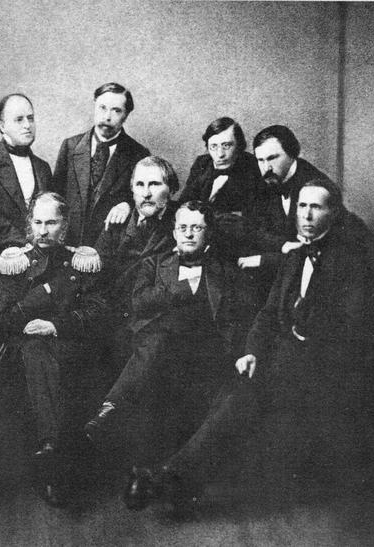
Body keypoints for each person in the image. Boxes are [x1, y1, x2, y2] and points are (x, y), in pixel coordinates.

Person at [85, 201, 257, 510]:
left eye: (196, 228)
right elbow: (138, 303)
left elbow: (244, 316)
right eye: (183, 227)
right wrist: (180, 288)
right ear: (174, 232)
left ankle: (120, 419)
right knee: (159, 351)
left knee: (168, 363)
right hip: (162, 347)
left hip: (208, 352)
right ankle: (137, 465)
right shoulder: (154, 264)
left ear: (208, 234)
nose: (189, 234)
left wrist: (240, 351)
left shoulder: (226, 271)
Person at [235, 178, 371, 496]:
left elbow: (350, 327)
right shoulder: (294, 256)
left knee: (248, 397)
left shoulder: (350, 261)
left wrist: (305, 335)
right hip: (281, 351)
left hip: (321, 359)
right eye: (302, 206)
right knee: (235, 389)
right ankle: (173, 474)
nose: (307, 215)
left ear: (333, 213)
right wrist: (252, 351)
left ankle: (176, 476)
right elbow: (268, 313)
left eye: (316, 207)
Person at [0, 192, 106, 507]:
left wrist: (54, 325)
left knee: (47, 352)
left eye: (52, 223)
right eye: (38, 222)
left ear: (65, 225)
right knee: (35, 350)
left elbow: (97, 312)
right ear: (29, 224)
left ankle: (51, 449)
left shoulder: (82, 260)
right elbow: (4, 319)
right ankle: (52, 450)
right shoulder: (16, 261)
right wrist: (45, 292)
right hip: (26, 348)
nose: (43, 231)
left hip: (68, 342)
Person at [94, 156, 179, 375]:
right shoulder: (116, 223)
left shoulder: (182, 223)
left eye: (155, 184)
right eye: (140, 185)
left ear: (171, 189)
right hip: (115, 319)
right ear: (131, 190)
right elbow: (96, 276)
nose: (146, 193)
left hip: (156, 323)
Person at [52, 82, 150, 246]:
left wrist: (128, 205)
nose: (107, 117)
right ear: (94, 107)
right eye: (102, 108)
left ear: (126, 115)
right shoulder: (70, 146)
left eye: (116, 110)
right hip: (67, 243)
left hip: (109, 245)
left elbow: (144, 199)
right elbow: (55, 195)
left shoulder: (138, 154)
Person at [0, 93, 52, 281]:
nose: (27, 125)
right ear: (2, 125)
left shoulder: (43, 168)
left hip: (38, 266)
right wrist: (24, 241)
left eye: (31, 118)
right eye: (19, 119)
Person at [237, 125, 331, 273]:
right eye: (260, 160)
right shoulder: (261, 180)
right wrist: (279, 245)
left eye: (272, 158)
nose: (266, 168)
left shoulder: (316, 187)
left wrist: (264, 260)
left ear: (292, 154)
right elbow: (250, 230)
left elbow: (320, 251)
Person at [178, 117, 263, 217]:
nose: (220, 154)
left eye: (226, 145)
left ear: (239, 145)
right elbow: (184, 205)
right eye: (213, 147)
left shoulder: (252, 164)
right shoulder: (202, 163)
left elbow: (255, 213)